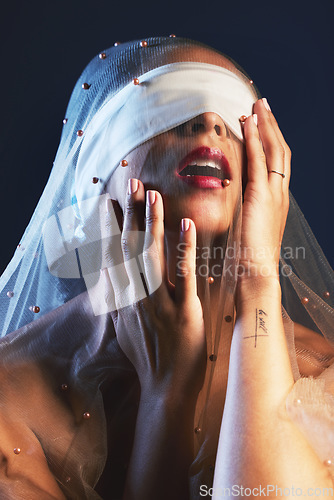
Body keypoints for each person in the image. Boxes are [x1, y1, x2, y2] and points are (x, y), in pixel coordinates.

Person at [0, 36, 333, 500]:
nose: (210, 122)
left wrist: (258, 282)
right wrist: (167, 396)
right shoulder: (8, 399)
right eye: (163, 103)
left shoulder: (323, 378)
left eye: (232, 114)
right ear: (93, 181)